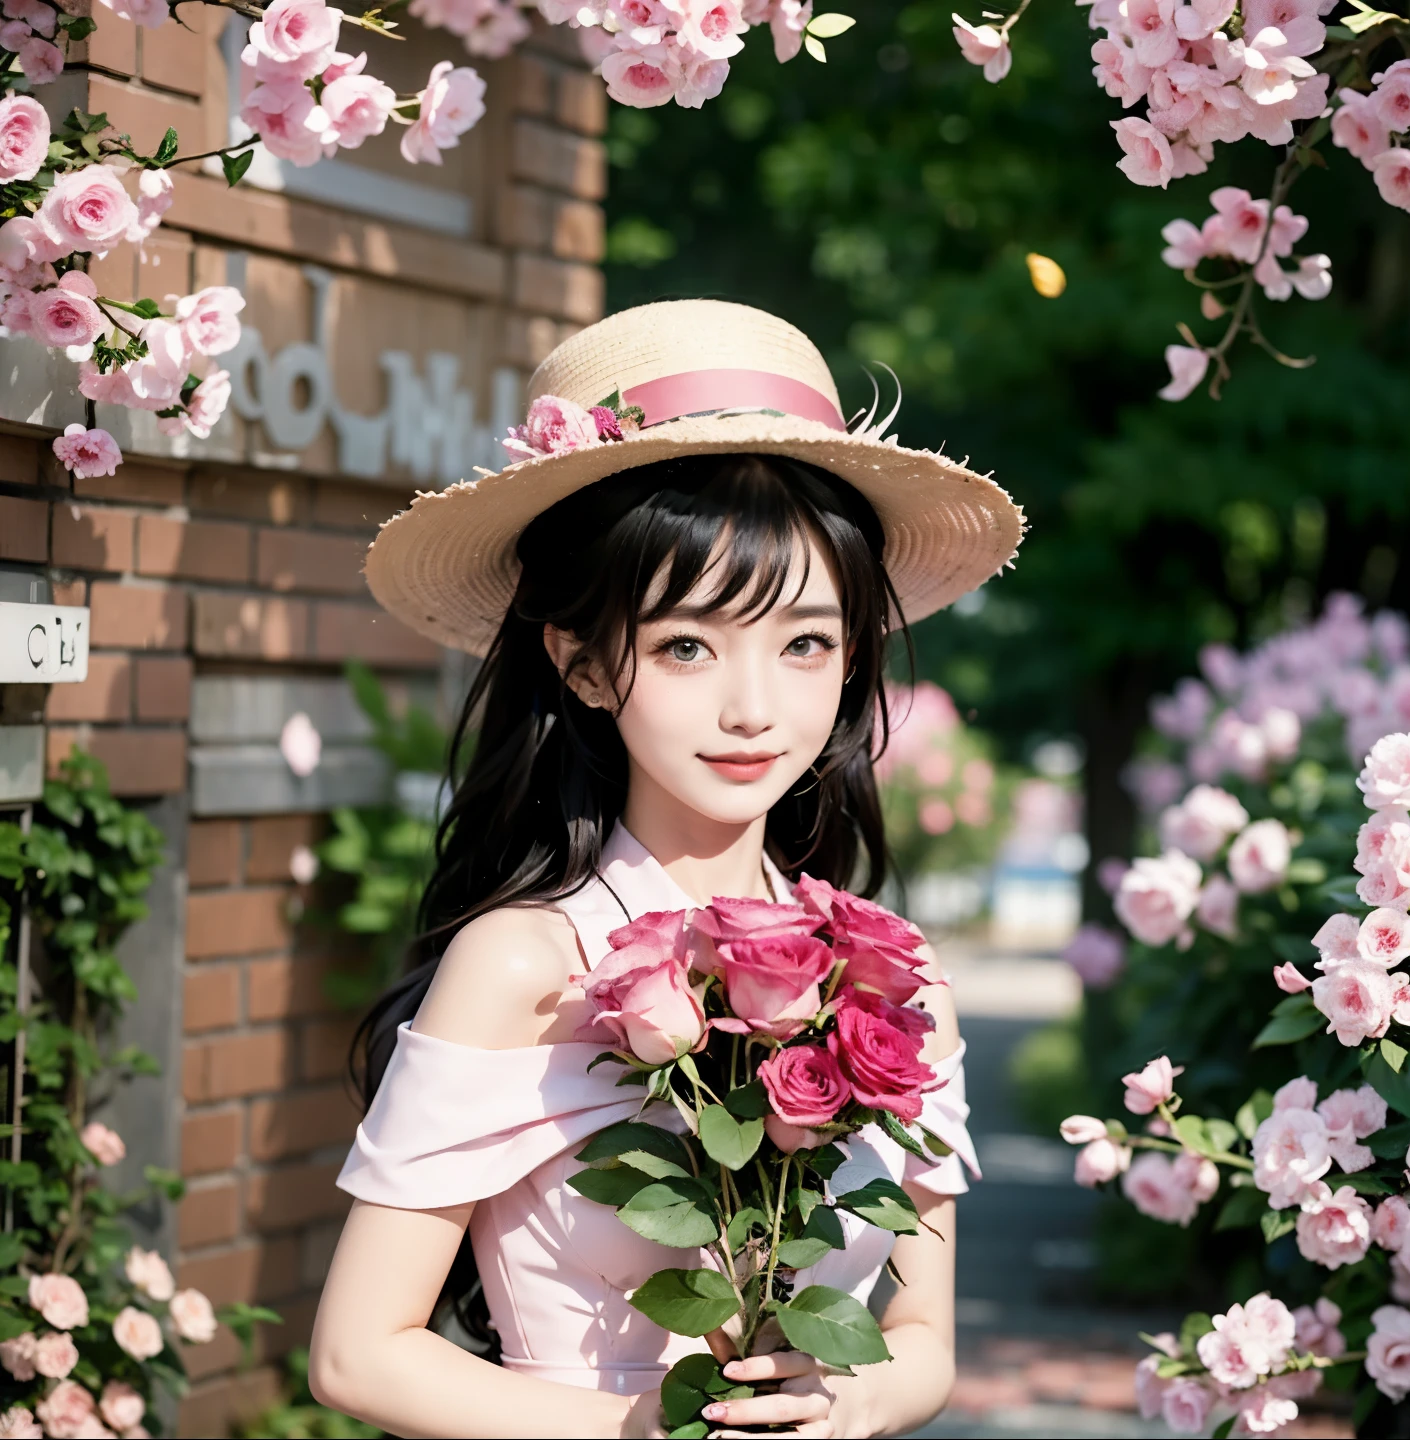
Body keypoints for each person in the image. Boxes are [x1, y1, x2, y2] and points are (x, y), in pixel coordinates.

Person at [309, 299, 1024, 1437]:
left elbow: (924, 1342)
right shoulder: (527, 961)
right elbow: (359, 1355)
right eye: (688, 644)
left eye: (804, 643)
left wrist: (852, 1402)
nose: (753, 709)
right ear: (585, 664)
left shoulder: (892, 979)